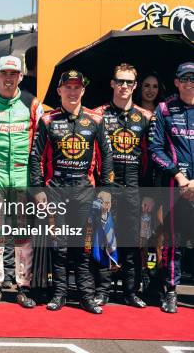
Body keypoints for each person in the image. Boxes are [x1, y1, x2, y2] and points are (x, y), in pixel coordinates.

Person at [29, 70, 114, 314]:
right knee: (60, 246)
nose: (73, 91)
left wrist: (106, 191)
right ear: (59, 91)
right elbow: (35, 157)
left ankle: (86, 296)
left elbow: (106, 156)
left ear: (83, 90)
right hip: (56, 191)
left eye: (77, 87)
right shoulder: (48, 120)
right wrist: (38, 190)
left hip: (86, 191)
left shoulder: (96, 120)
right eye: (68, 87)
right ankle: (60, 293)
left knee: (84, 247)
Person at [0, 56, 43, 309]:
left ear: (21, 76)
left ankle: (23, 287)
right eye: (4, 73)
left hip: (22, 174)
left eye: (13, 74)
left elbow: (41, 141)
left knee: (23, 234)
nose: (8, 78)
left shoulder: (32, 103)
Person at [92, 63, 151, 309]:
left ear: (135, 86)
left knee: (131, 241)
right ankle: (102, 290)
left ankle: (130, 291)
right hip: (107, 187)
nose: (124, 86)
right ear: (112, 83)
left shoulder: (145, 117)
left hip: (134, 188)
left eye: (129, 82)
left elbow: (151, 156)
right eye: (120, 81)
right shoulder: (97, 115)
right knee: (104, 238)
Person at [148, 61, 194, 314]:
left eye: (193, 78)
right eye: (184, 78)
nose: (189, 82)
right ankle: (171, 292)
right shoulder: (165, 109)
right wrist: (178, 176)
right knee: (173, 242)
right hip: (176, 186)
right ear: (176, 82)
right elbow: (155, 149)